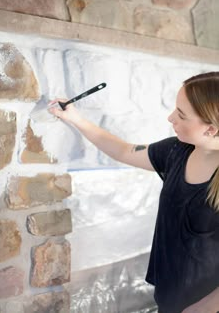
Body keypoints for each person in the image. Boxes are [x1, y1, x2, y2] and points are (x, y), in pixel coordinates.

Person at [49, 72, 219, 313]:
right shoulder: (176, 151)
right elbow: (125, 151)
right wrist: (76, 118)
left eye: (181, 115)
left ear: (211, 129)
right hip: (170, 299)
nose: (171, 118)